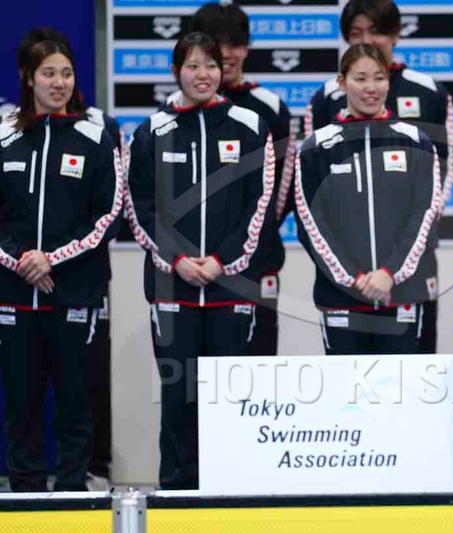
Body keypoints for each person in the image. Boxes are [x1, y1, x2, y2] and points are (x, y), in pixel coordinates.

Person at [126, 32, 276, 489]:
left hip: (231, 285)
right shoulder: (151, 131)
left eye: (210, 65)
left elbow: (259, 203)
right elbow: (139, 207)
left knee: (229, 397)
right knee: (179, 394)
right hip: (172, 286)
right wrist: (176, 259)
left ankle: (229, 489)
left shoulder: (250, 125)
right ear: (176, 72)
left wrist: (220, 262)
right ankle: (176, 491)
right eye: (192, 66)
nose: (203, 74)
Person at [0, 37, 123, 491]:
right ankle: (26, 501)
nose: (59, 83)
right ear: (29, 78)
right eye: (48, 73)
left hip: (75, 295)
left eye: (66, 74)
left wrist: (51, 259)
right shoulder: (5, 137)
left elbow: (109, 215)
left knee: (75, 406)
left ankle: (73, 499)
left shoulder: (96, 138)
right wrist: (21, 261)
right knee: (21, 408)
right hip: (15, 296)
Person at [306, 0, 453, 354]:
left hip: (408, 271)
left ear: (396, 34)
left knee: (410, 380)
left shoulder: (428, 96)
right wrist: (352, 276)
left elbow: (438, 183)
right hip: (342, 285)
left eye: (375, 31)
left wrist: (393, 269)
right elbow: (312, 213)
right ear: (343, 82)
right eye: (357, 33)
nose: (367, 40)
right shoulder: (322, 112)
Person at [186, 3, 293, 357]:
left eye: (235, 44)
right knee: (190, 381)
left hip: (255, 266)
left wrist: (239, 248)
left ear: (247, 49)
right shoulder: (173, 112)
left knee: (255, 376)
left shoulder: (270, 108)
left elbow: (279, 194)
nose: (226, 53)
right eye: (216, 44)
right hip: (191, 269)